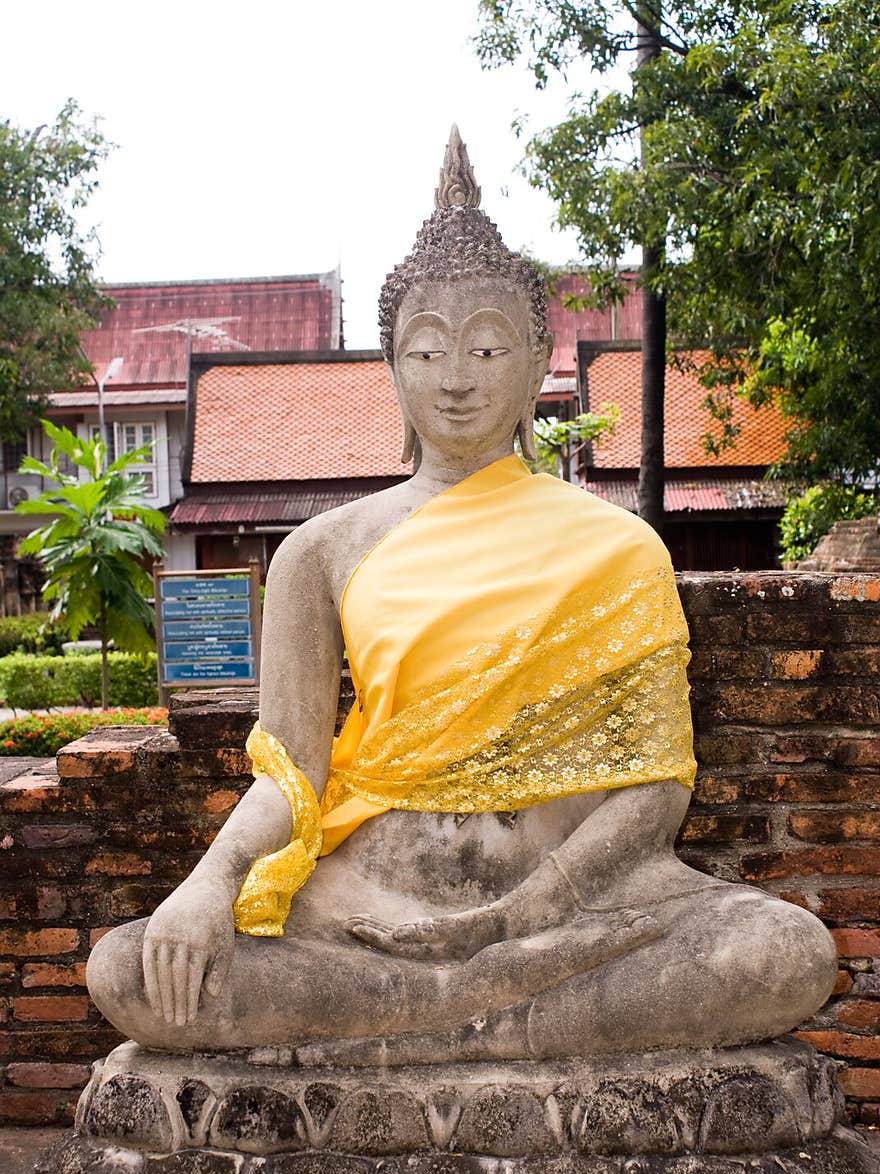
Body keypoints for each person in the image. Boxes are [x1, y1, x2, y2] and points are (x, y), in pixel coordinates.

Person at [87, 130, 836, 1061]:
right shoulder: (320, 552)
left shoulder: (618, 546)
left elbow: (654, 790)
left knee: (783, 952)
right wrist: (208, 879)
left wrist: (524, 911)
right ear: (392, 370)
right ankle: (492, 1023)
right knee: (129, 971)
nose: (456, 378)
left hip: (568, 904)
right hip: (371, 906)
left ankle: (447, 1023)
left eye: (486, 348)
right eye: (427, 349)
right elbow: (292, 776)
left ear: (533, 361)